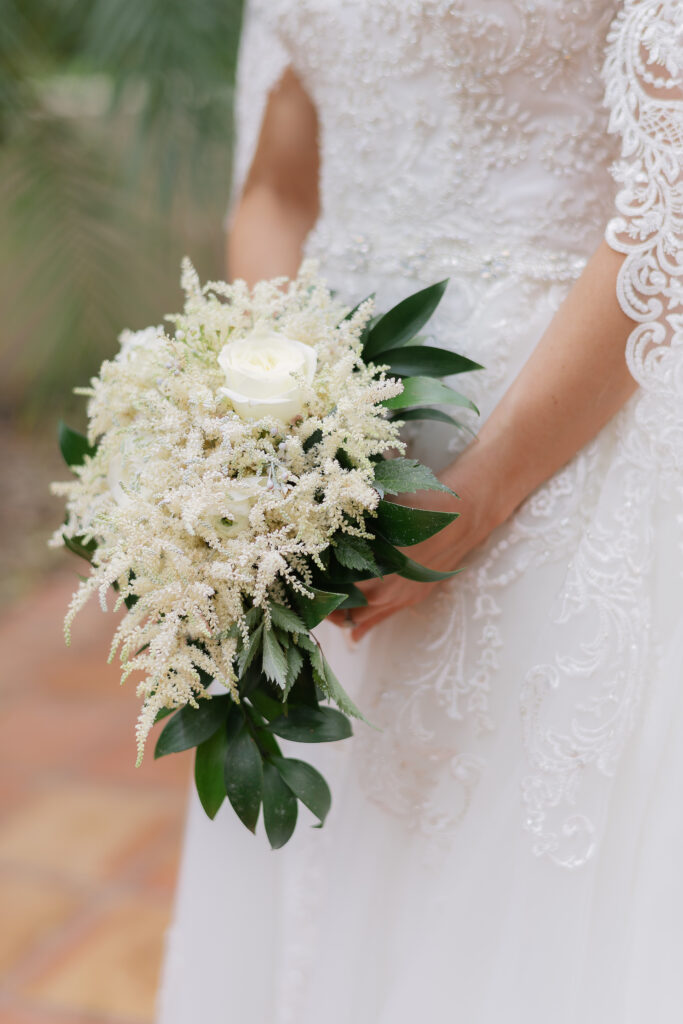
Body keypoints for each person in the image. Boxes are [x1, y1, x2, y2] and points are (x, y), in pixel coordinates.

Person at [157, 2, 683, 1021]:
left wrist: (475, 494)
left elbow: (665, 214)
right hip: (320, 469)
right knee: (316, 863)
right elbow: (274, 188)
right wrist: (271, 443)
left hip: (560, 453)